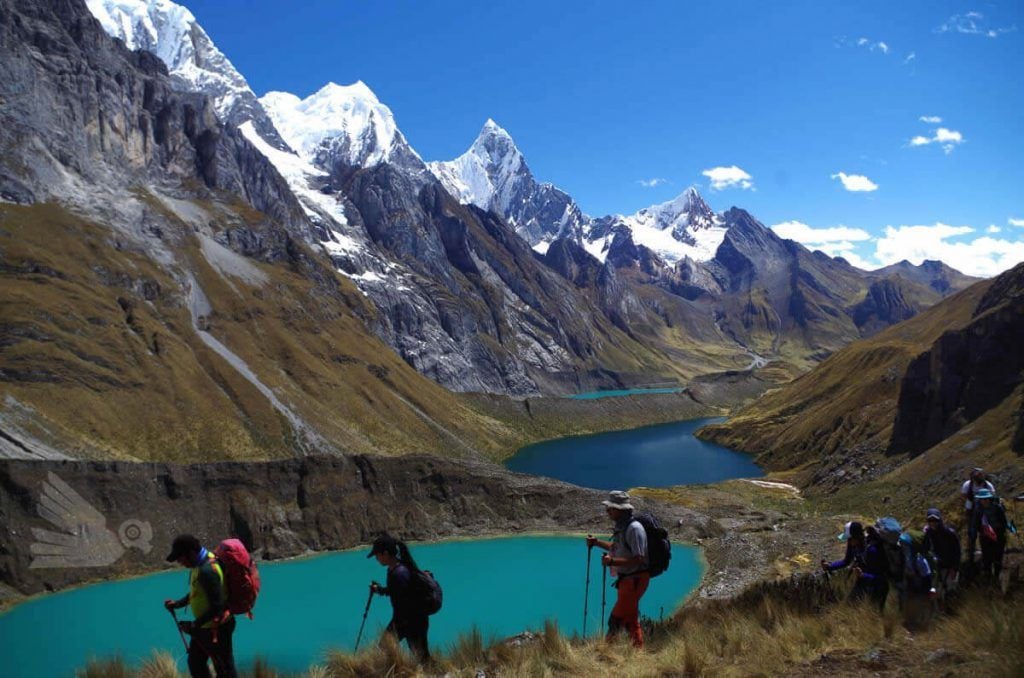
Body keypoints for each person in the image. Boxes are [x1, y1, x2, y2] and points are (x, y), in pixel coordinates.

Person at [163, 534, 237, 678]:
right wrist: (177, 604)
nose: (179, 562)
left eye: (180, 558)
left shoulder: (207, 571)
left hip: (217, 630)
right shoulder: (200, 564)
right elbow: (197, 592)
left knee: (224, 670)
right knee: (196, 664)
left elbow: (218, 607)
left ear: (191, 553)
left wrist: (193, 625)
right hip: (204, 629)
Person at [586, 490, 649, 648]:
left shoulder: (634, 529)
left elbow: (638, 558)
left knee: (616, 619)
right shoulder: (623, 527)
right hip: (627, 580)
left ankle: (605, 652)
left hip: (634, 580)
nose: (607, 512)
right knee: (630, 619)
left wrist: (612, 561)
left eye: (610, 509)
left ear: (621, 510)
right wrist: (596, 542)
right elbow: (616, 547)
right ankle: (637, 652)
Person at [367, 534, 431, 663]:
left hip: (409, 621)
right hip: (412, 619)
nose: (376, 558)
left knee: (385, 649)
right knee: (421, 656)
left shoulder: (399, 573)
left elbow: (404, 599)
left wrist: (400, 625)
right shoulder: (396, 569)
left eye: (377, 555)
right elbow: (397, 592)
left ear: (385, 554)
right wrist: (380, 589)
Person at [821, 521, 889, 611]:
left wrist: (863, 575)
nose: (848, 541)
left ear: (857, 537)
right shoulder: (853, 545)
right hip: (864, 580)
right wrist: (830, 566)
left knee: (873, 614)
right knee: (849, 606)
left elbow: (880, 577)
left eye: (849, 539)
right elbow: (846, 561)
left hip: (878, 586)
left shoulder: (872, 550)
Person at [921, 508, 960, 604]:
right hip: (936, 566)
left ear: (939, 520)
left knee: (950, 589)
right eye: (930, 520)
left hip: (949, 566)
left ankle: (951, 611)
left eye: (935, 520)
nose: (933, 523)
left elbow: (957, 551)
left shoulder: (949, 533)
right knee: (937, 591)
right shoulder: (927, 533)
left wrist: (954, 568)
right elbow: (926, 549)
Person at [972, 488, 1009, 582]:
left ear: (989, 498)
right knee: (987, 558)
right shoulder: (978, 510)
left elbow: (1004, 522)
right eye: (982, 499)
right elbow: (975, 524)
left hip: (998, 537)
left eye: (985, 499)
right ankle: (988, 577)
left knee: (998, 557)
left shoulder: (997, 508)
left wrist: (998, 530)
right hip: (985, 538)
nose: (984, 501)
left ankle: (997, 577)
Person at [961, 467, 995, 560]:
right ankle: (971, 551)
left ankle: (987, 549)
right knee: (972, 531)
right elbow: (963, 495)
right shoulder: (968, 485)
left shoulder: (987, 485)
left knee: (985, 529)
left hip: (984, 510)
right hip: (971, 510)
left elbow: (992, 495)